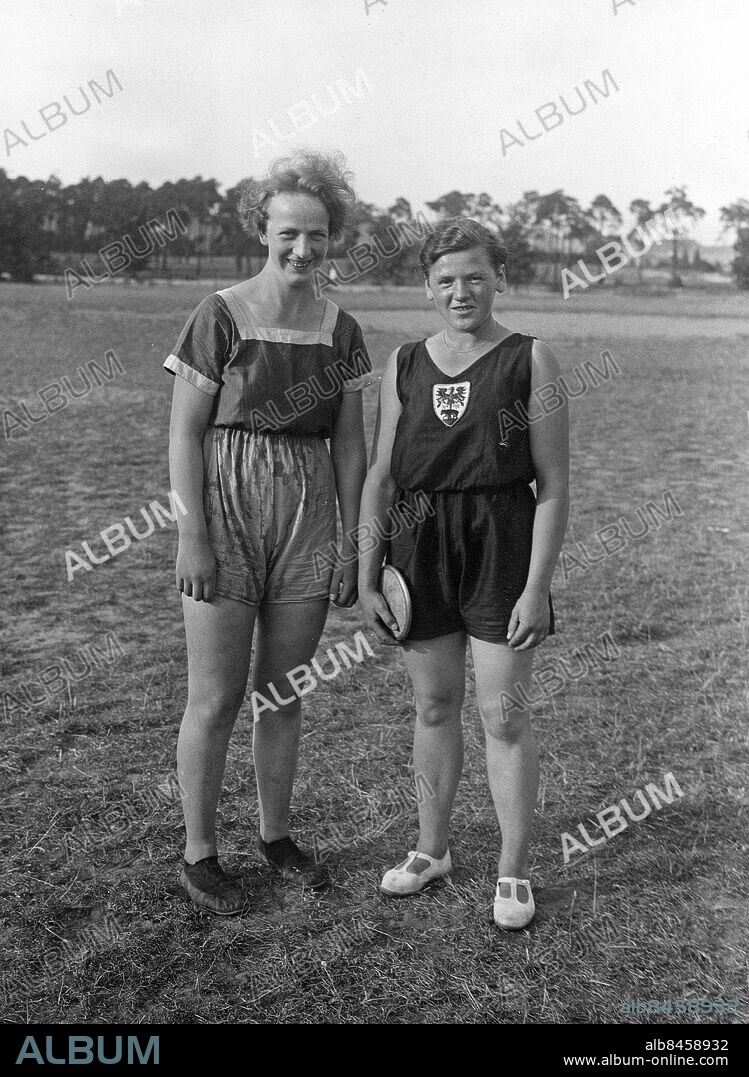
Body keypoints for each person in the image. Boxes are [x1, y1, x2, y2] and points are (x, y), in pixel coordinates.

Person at [164, 150, 374, 914]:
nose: (303, 249)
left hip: (309, 508)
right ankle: (199, 852)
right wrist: (193, 535)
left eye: (316, 234)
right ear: (262, 229)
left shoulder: (340, 328)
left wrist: (353, 540)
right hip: (226, 502)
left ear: (332, 237)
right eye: (288, 232)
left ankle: (276, 836)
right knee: (214, 697)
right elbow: (184, 435)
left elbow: (350, 446)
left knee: (282, 691)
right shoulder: (218, 312)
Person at [359, 218, 569, 929]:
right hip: (418, 544)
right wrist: (366, 574)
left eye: (474, 276)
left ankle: (512, 870)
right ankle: (431, 848)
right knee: (433, 706)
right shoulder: (403, 363)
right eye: (445, 279)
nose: (460, 291)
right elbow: (381, 477)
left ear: (499, 278)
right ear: (426, 285)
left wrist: (536, 585)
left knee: (501, 714)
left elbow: (554, 483)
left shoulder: (529, 358)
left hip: (500, 541)